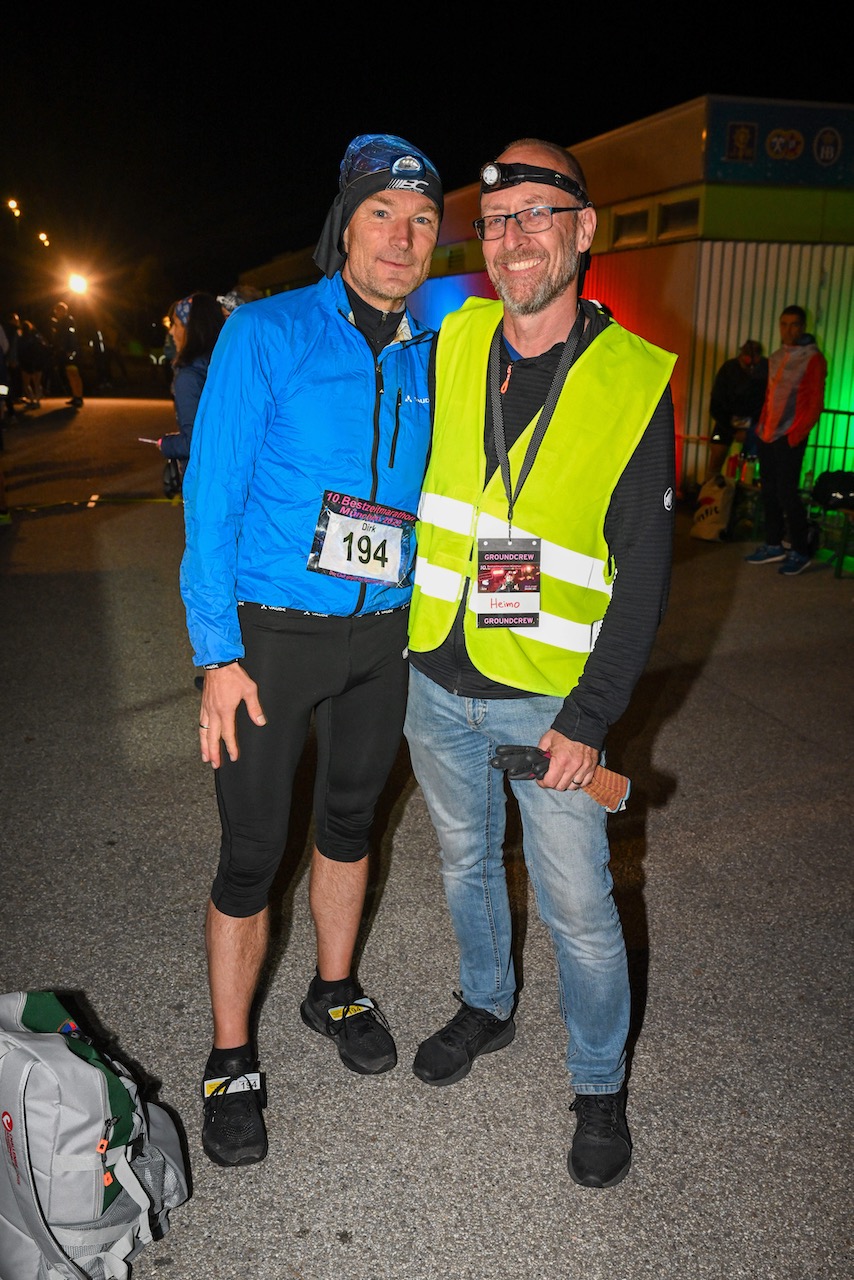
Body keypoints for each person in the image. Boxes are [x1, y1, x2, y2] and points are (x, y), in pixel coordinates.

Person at [402, 138, 677, 1191]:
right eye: (497, 215)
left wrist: (590, 718)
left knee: (577, 906)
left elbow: (644, 575)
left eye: (535, 212)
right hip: (436, 674)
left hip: (549, 699)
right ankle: (485, 1002)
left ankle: (599, 1082)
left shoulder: (629, 379)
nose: (511, 235)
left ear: (582, 228)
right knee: (464, 864)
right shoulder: (459, 331)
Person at [179, 132, 443, 1169]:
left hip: (381, 639)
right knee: (252, 853)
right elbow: (212, 497)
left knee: (347, 823)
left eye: (421, 220)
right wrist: (216, 652)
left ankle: (332, 989)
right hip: (269, 639)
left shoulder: (429, 355)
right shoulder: (270, 333)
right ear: (345, 224)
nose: (403, 236)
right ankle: (230, 1052)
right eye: (382, 213)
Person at [744, 305, 827, 576]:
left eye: (793, 325)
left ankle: (800, 550)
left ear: (802, 327)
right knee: (768, 492)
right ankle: (773, 544)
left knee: (787, 494)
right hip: (768, 434)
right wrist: (761, 428)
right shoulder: (777, 356)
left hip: (789, 437)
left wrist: (795, 436)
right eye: (783, 324)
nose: (788, 330)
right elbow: (771, 395)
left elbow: (814, 404)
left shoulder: (813, 359)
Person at [156, 292, 224, 484]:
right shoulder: (223, 363)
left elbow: (195, 442)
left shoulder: (188, 377)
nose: (171, 332)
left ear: (190, 329)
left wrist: (166, 444)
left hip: (204, 478)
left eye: (176, 324)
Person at [706, 339, 768, 479]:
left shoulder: (766, 368)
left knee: (752, 462)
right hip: (727, 419)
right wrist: (733, 431)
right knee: (717, 454)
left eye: (755, 363)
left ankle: (748, 490)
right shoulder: (729, 369)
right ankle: (709, 490)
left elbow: (767, 402)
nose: (751, 367)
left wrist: (752, 430)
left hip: (754, 423)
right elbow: (715, 405)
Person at [48, 301, 85, 408]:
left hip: (70, 351)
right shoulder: (60, 322)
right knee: (70, 374)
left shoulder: (68, 321)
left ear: (63, 311)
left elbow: (71, 336)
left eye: (58, 311)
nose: (56, 313)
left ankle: (79, 397)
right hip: (64, 352)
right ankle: (75, 395)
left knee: (74, 374)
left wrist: (71, 350)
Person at [18, 318, 51, 408]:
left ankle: (32, 399)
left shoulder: (21, 338)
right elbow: (45, 346)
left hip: (26, 362)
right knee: (37, 382)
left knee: (26, 383)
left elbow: (20, 351)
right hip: (38, 362)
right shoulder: (36, 336)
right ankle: (37, 399)